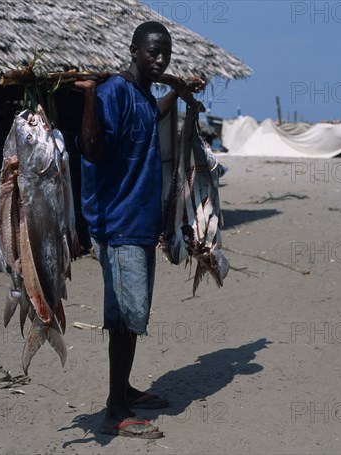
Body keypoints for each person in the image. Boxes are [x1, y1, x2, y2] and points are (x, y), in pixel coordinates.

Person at [73, 21, 205, 439]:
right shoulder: (112, 92)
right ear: (134, 50)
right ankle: (114, 412)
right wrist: (91, 96)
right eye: (153, 52)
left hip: (141, 223)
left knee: (125, 315)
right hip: (119, 224)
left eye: (166, 53)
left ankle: (124, 390)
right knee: (128, 318)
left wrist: (177, 93)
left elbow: (152, 115)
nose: (161, 59)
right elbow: (92, 149)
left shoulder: (142, 95)